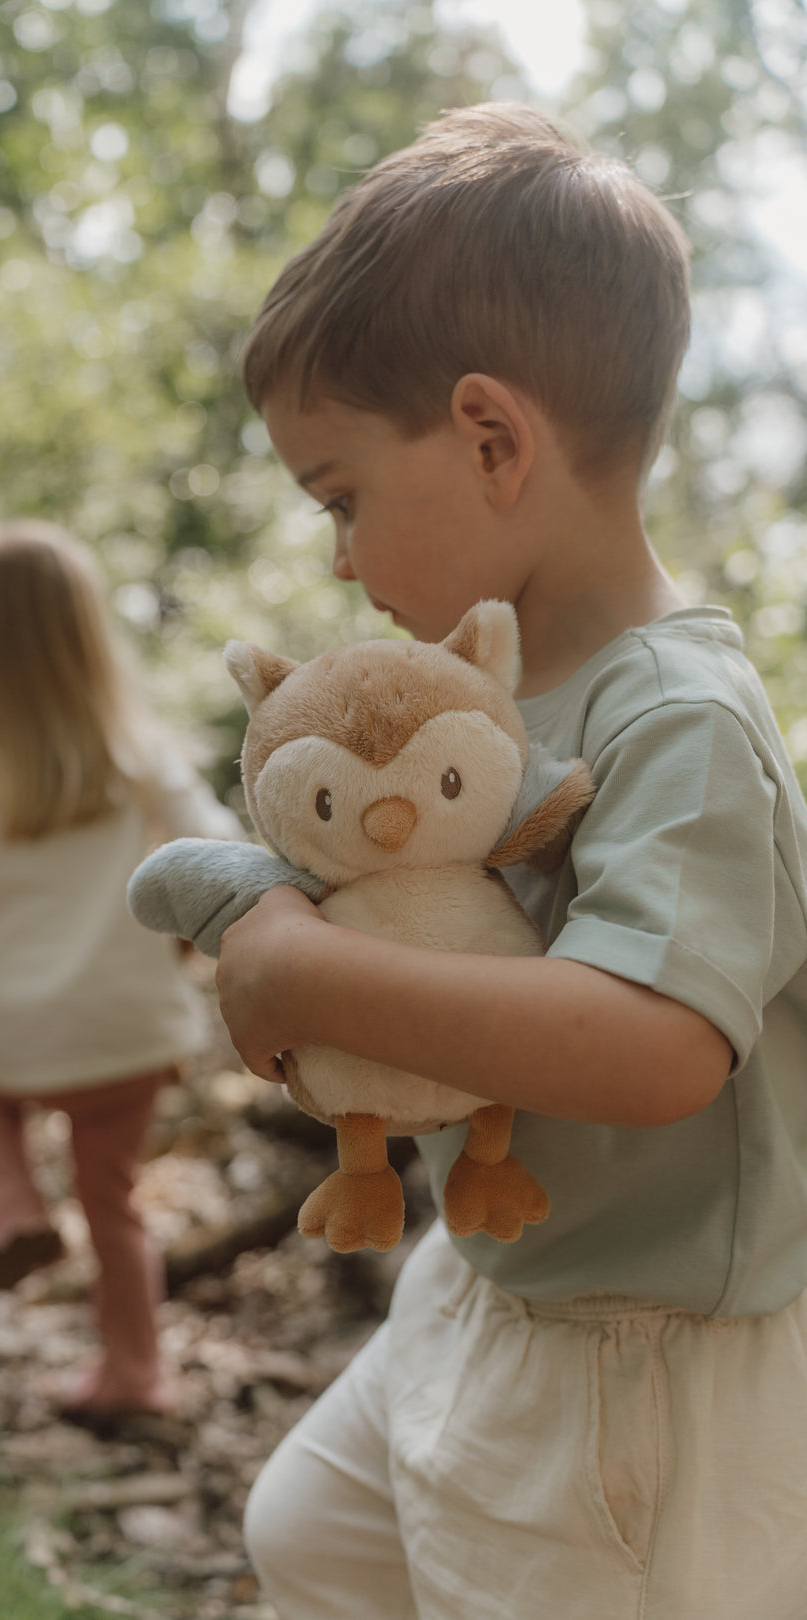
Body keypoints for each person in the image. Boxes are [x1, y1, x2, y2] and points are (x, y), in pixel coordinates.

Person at [215, 103, 807, 1619]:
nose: (338, 559)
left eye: (342, 497)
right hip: (494, 1276)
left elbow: (658, 1045)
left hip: (651, 1356)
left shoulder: (675, 715)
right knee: (312, 1537)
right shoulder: (483, 702)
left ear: (491, 437)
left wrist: (307, 968)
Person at [0, 520, 241, 1421]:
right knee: (113, 1206)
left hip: (11, 1040)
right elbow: (223, 852)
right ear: (88, 633)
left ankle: (13, 1203)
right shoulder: (142, 759)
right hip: (128, 1027)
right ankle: (136, 1372)